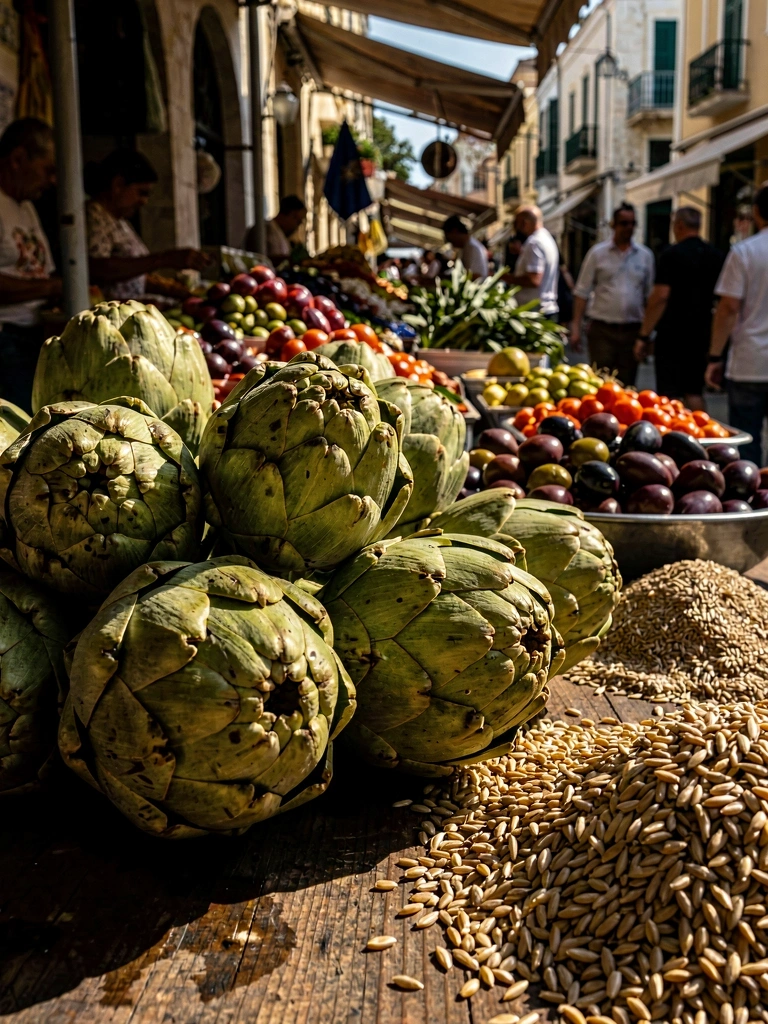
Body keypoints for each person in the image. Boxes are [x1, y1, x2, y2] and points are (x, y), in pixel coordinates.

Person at [86, 149, 210, 300]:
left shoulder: (120, 221)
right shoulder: (93, 216)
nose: (144, 201)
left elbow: (130, 276)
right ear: (118, 185)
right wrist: (165, 259)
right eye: (141, 192)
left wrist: (169, 289)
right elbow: (96, 270)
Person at [634, 207, 724, 410]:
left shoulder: (671, 255)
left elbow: (660, 296)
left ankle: (672, 427)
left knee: (669, 394)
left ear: (679, 225)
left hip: (672, 334)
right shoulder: (715, 255)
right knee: (694, 391)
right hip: (702, 332)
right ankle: (700, 427)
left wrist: (644, 334)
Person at [0, 118, 61, 412]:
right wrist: (52, 288)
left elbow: (41, 269)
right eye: (47, 169)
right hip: (7, 339)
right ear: (18, 159)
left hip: (35, 335)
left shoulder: (26, 207)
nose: (52, 180)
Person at [705, 185, 768, 466]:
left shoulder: (745, 252)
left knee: (747, 444)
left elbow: (728, 308)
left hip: (749, 363)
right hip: (748, 362)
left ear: (756, 212)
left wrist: (714, 356)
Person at [570, 203, 654, 385]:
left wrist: (648, 334)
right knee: (600, 381)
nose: (629, 228)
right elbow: (582, 291)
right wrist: (575, 327)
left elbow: (649, 297)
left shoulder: (645, 256)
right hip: (602, 330)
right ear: (613, 225)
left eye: (632, 223)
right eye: (624, 223)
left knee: (627, 384)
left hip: (632, 330)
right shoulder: (597, 254)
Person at [504, 205, 559, 317]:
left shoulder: (534, 243)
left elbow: (534, 280)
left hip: (535, 313)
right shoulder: (546, 238)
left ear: (524, 223)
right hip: (545, 309)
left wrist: (506, 278)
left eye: (516, 223)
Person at [244, 195, 306, 265]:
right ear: (292, 215)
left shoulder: (279, 232)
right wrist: (292, 260)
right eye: (298, 222)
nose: (297, 228)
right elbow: (262, 260)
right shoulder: (266, 230)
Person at [443, 215, 488, 279]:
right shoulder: (466, 246)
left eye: (450, 240)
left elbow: (477, 276)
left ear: (455, 231)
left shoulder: (472, 248)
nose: (452, 244)